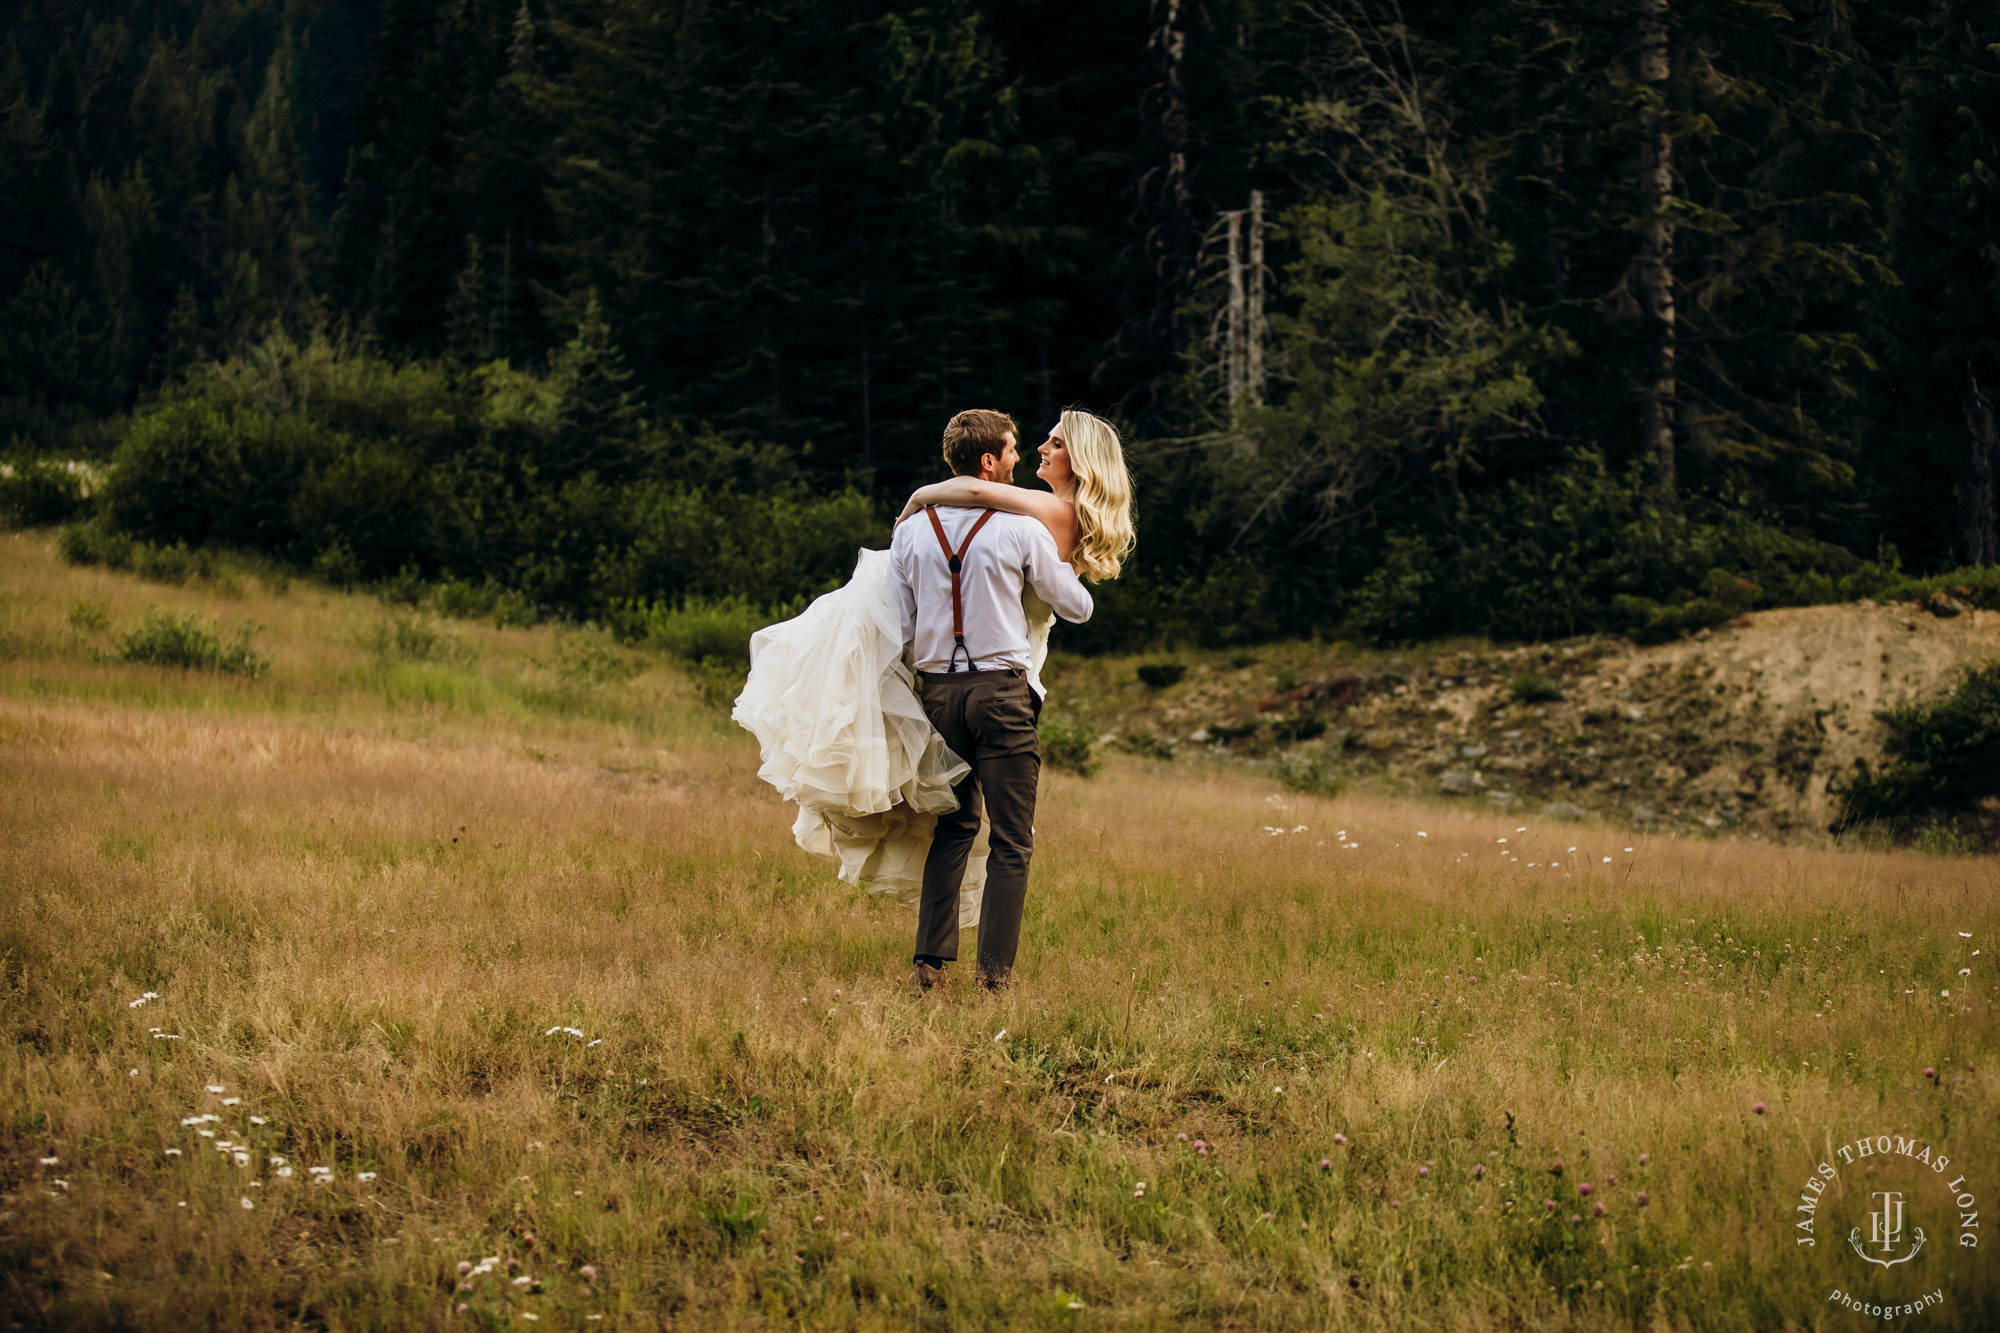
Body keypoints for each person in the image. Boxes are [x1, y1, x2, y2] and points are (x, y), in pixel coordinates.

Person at [731, 406, 1133, 990]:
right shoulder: (1027, 524)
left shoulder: (913, 531)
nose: (1033, 453)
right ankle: (994, 979)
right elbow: (1077, 607)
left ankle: (929, 965)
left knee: (954, 827)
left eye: (1048, 443)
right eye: (1024, 447)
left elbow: (906, 620)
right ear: (993, 459)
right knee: (1013, 841)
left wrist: (921, 496)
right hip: (1003, 692)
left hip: (938, 693)